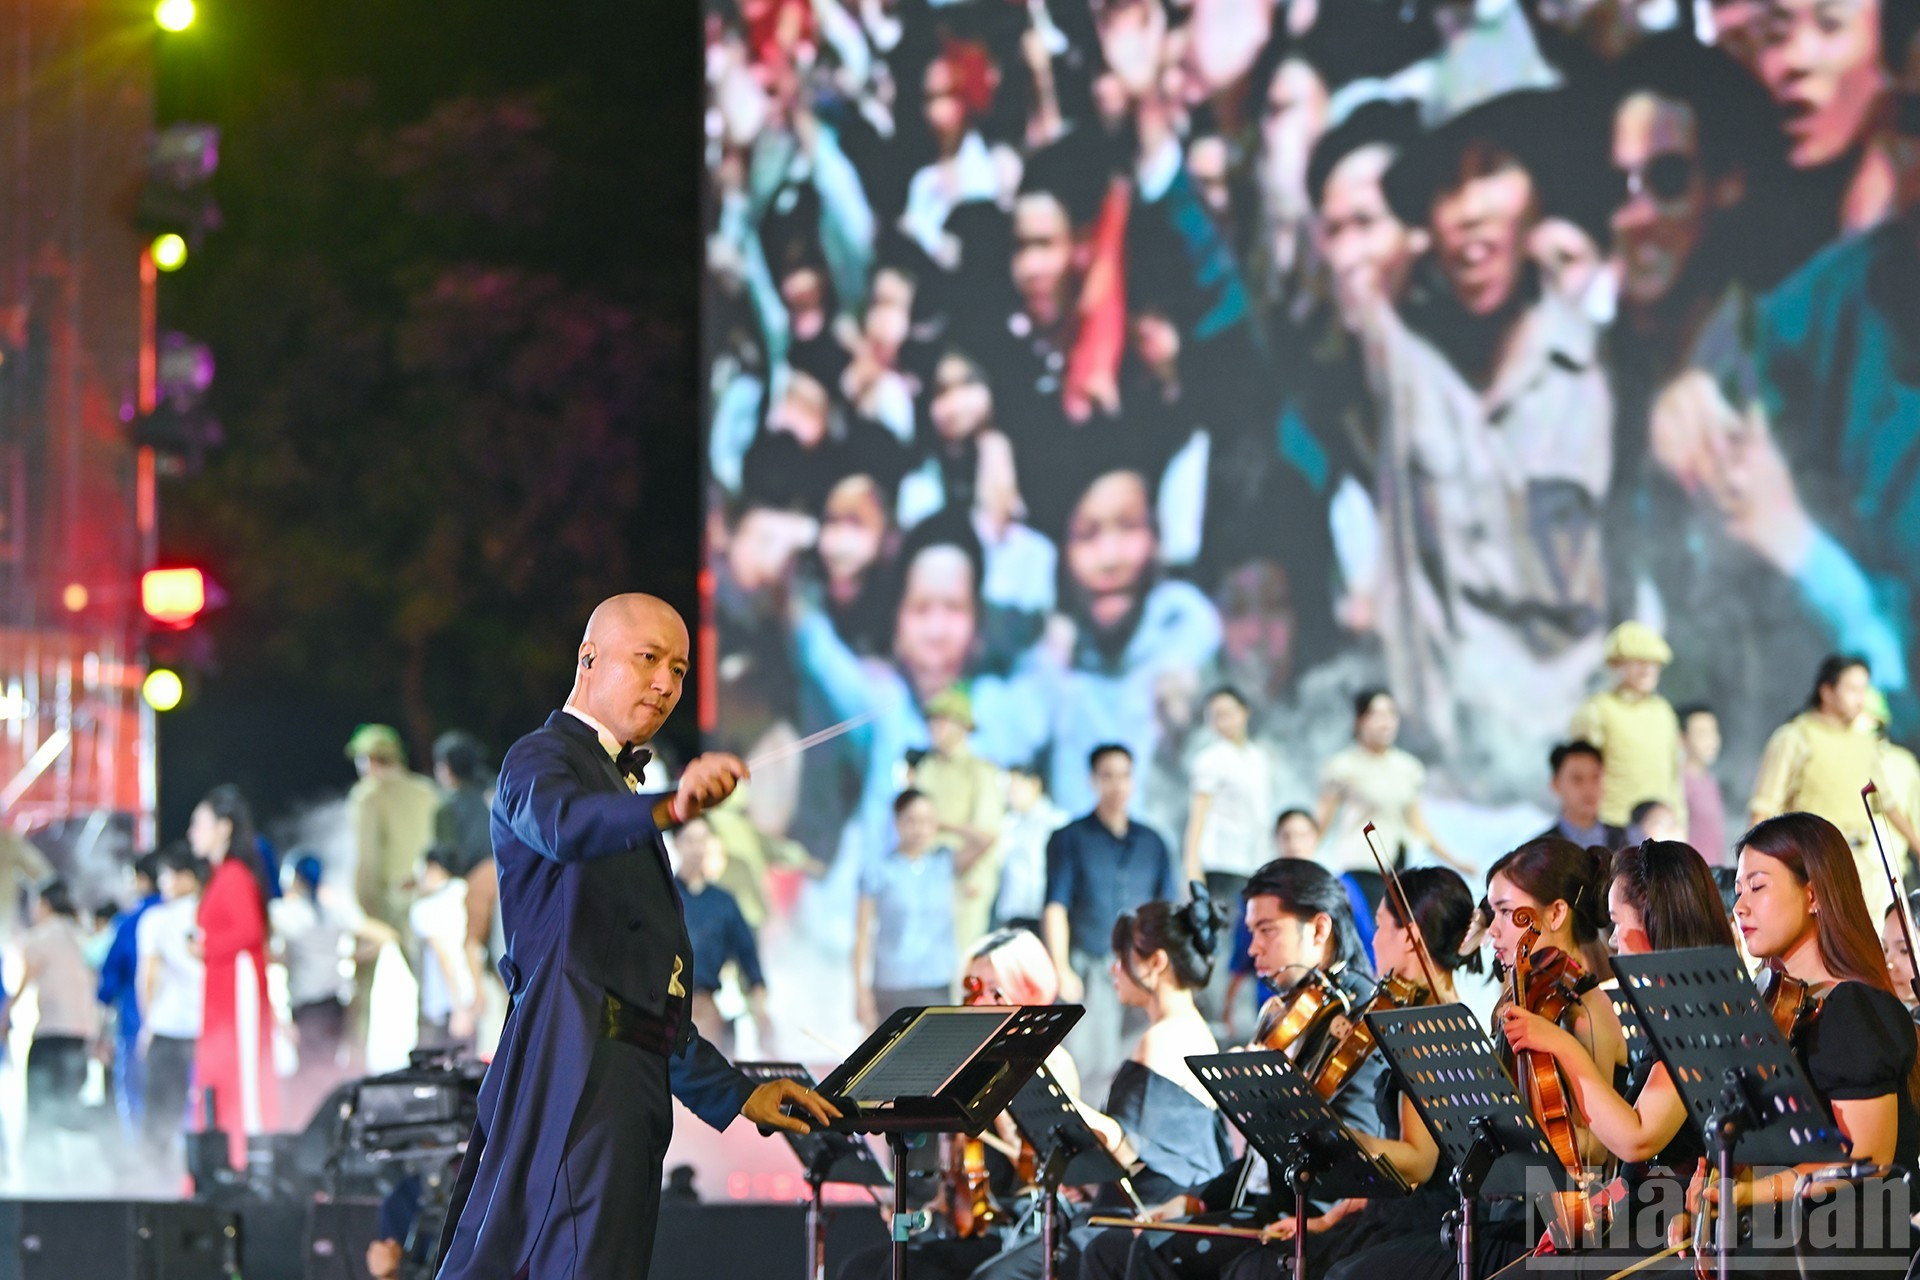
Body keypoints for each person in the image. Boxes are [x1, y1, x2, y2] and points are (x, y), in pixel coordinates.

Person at [434, 593, 836, 1280]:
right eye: (648, 658)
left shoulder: (618, 788)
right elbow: (565, 825)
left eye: (678, 669)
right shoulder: (540, 759)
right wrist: (671, 804)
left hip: (623, 1094)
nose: (665, 683)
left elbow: (644, 1001)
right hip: (574, 1084)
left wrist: (737, 1093)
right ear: (588, 658)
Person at [1368, 89, 1612, 800]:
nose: (1468, 209)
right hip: (1447, 790)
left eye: (1492, 172)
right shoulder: (1405, 366)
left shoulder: (1604, 368)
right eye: (1446, 187)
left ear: (1539, 194)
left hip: (1576, 791)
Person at [1079, 860, 1384, 1280]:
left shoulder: (1359, 1016)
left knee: (1153, 1251)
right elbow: (1255, 1161)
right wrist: (1197, 1200)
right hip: (1258, 1204)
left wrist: (1270, 1099)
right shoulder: (1290, 1010)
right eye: (1251, 931)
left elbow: (1350, 1151)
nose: (1253, 948)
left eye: (1267, 930)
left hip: (1308, 1216)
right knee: (1106, 1248)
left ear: (1318, 929)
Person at [1668, 813, 1920, 1270]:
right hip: (1784, 1239)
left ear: (1813, 894)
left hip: (1844, 1250)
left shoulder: (1853, 1008)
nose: (1740, 906)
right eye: (1739, 891)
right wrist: (1709, 1209)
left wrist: (1746, 1195)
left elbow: (1866, 1159)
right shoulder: (1769, 1005)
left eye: (1757, 887)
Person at [1228, 867, 1481, 1280]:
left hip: (1426, 1219)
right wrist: (1328, 1220)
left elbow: (1418, 1163)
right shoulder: (1423, 1016)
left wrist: (1337, 1137)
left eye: (1380, 926)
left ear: (1409, 937)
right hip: (1392, 1210)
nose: (1373, 940)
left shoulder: (1426, 1026)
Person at [1496, 840, 1736, 1268]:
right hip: (1640, 1215)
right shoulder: (1672, 1012)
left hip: (1669, 1230)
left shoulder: (1701, 1015)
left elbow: (1638, 1138)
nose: (1611, 940)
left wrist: (1562, 1046)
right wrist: (1606, 1199)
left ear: (1653, 922)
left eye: (1618, 921)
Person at [835, 928, 1081, 1280]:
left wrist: (1002, 1088)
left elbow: (1038, 1167)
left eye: (995, 991)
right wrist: (925, 1210)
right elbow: (951, 1180)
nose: (980, 1002)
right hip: (966, 1225)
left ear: (1027, 989)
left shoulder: (1053, 1062)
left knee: (911, 1271)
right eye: (973, 990)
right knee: (856, 1269)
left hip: (1017, 1223)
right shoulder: (966, 1065)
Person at [1043, 744, 1178, 1092]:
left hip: (1145, 968)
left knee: (1142, 1061)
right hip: (1091, 964)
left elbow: (1168, 910)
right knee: (1091, 1064)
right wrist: (1061, 967)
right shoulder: (1069, 838)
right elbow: (1056, 905)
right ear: (1093, 780)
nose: (1117, 784)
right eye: (1107, 776)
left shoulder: (1153, 842)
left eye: (1124, 776)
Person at [1749, 655, 1892, 918]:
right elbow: (1764, 806)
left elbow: (1888, 805)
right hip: (1814, 862)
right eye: (1852, 689)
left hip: (1862, 863)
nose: (1860, 698)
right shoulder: (1794, 737)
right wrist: (1754, 871)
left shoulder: (1865, 742)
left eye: (1864, 689)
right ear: (1827, 692)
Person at [188, 784, 282, 1169]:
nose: (192, 832)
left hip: (236, 992)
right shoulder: (221, 876)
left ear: (224, 827)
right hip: (220, 991)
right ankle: (225, 1163)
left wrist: (206, 948)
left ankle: (249, 1163)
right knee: (219, 1076)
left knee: (242, 1076)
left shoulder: (234, 876)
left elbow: (249, 931)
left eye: (199, 823)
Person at [855, 789, 991, 1028]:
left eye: (927, 821)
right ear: (897, 822)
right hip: (892, 986)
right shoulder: (880, 870)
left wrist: (945, 826)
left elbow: (986, 841)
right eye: (911, 821)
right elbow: (862, 935)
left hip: (936, 983)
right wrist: (860, 991)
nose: (919, 829)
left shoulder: (943, 862)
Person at [345, 722, 440, 1061]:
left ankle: (351, 1064)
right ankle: (433, 1060)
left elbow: (367, 860)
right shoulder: (427, 791)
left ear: (369, 759)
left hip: (386, 902)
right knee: (429, 991)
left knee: (362, 990)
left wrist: (363, 911)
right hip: (426, 900)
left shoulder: (368, 795)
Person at [1315, 688, 1466, 884]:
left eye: (1391, 714)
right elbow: (1321, 823)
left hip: (1399, 865)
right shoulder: (1342, 767)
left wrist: (1454, 862)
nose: (1385, 722)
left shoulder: (1408, 768)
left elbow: (1417, 823)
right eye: (1376, 715)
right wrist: (1298, 860)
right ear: (1359, 720)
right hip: (1362, 866)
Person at [911, 686, 1006, 964]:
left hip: (965, 886)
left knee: (958, 967)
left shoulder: (980, 772)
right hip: (924, 881)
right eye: (932, 721)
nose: (934, 727)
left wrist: (940, 826)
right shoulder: (927, 768)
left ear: (963, 727)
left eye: (942, 720)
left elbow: (986, 836)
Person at [1569, 622, 1685, 831]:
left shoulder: (1664, 713)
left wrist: (1679, 823)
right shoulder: (1597, 711)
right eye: (1638, 661)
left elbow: (1674, 780)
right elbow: (1580, 775)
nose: (1647, 669)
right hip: (1611, 828)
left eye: (1653, 662)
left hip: (1659, 831)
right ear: (1616, 664)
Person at [671, 816, 771, 1057]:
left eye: (702, 840)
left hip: (705, 1010)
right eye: (689, 840)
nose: (696, 849)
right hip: (666, 1010)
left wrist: (760, 1012)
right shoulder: (664, 896)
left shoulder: (723, 903)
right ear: (676, 843)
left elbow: (749, 958)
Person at [20, 880, 102, 1162]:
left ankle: (42, 1169)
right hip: (82, 1035)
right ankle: (109, 1135)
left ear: (44, 904)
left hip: (51, 1034)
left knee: (40, 1107)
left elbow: (24, 982)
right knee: (68, 1106)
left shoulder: (40, 938)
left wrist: (5, 1013)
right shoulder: (85, 937)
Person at [268, 852, 351, 1120]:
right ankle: (330, 1124)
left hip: (308, 1004)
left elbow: (267, 949)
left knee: (309, 1073)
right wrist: (351, 957)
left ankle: (310, 1124)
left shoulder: (287, 913)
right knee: (328, 1068)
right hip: (335, 1002)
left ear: (296, 879)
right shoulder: (333, 912)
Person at [138, 846, 204, 1173]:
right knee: (206, 1111)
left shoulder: (156, 919)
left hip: (168, 1028)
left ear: (185, 877)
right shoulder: (210, 912)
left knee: (161, 1114)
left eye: (166, 876)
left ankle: (156, 1179)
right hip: (208, 1029)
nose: (162, 883)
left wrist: (147, 1024)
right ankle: (199, 1174)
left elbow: (148, 977)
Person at [1183, 686, 1272, 899]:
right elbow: (1197, 817)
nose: (1222, 722)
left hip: (1254, 863)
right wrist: (1192, 869)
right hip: (1221, 863)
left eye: (1228, 714)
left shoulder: (1258, 757)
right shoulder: (1210, 759)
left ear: (1245, 712)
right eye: (1215, 716)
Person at [96, 852, 162, 1137]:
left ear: (142, 879)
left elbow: (109, 979)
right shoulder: (188, 915)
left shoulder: (129, 922)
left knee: (135, 1099)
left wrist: (100, 1028)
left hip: (135, 1024)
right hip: (183, 1028)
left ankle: (141, 1157)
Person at [411, 845, 478, 1056]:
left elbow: (444, 958)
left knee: (433, 1067)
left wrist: (458, 1009)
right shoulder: (466, 893)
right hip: (472, 995)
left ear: (433, 868)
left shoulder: (426, 908)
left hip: (445, 1004)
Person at [992, 762, 1065, 932]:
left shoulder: (1057, 822)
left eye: (1014, 787)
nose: (1009, 794)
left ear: (1034, 784)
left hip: (1043, 912)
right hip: (1012, 912)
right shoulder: (1008, 823)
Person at [1535, 741, 1629, 850]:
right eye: (1577, 779)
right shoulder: (1539, 850)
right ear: (1556, 784)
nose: (1588, 788)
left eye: (1595, 777)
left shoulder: (1627, 840)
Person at [432, 730, 494, 877]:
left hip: (469, 884)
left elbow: (446, 864)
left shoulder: (447, 809)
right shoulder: (493, 797)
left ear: (446, 767)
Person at [1680, 704, 1728, 863]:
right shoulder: (1679, 784)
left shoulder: (1711, 781)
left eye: (1714, 732)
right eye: (1702, 733)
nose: (1711, 740)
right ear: (1682, 739)